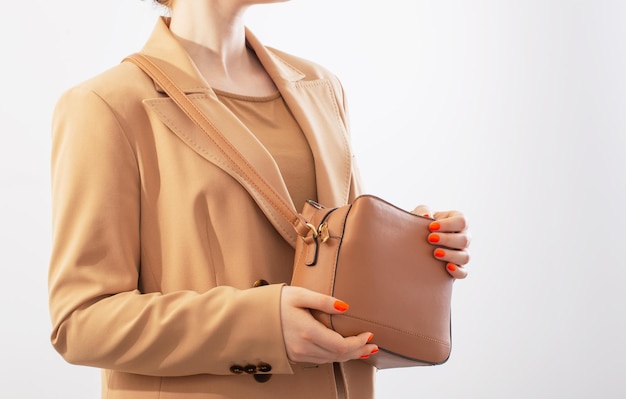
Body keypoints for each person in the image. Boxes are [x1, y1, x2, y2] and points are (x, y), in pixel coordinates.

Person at [48, 0, 472, 398]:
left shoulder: (320, 87)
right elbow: (80, 322)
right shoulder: (105, 105)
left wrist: (409, 244)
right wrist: (260, 326)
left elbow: (336, 265)